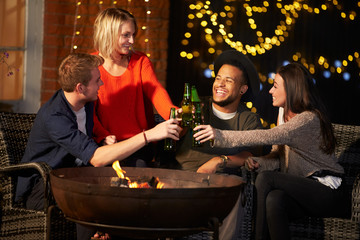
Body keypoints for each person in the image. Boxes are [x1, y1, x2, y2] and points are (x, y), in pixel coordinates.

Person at [15, 53, 181, 240]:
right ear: (80, 87)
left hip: (75, 174)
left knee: (129, 179)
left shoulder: (86, 103)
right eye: (97, 80)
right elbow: (97, 158)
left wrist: (102, 138)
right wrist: (149, 135)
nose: (102, 84)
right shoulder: (55, 116)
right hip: (43, 186)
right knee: (87, 195)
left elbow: (88, 140)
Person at [193, 62, 348, 240]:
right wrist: (260, 162)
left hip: (327, 192)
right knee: (275, 199)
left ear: (290, 90)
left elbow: (268, 136)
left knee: (267, 179)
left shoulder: (308, 119)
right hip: (301, 189)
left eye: (275, 86)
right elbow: (279, 157)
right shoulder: (283, 114)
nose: (270, 91)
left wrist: (219, 135)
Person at [92, 8, 177, 167]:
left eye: (133, 35)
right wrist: (102, 136)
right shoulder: (90, 66)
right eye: (126, 35)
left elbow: (156, 91)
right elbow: (88, 112)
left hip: (139, 145)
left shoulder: (141, 61)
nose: (131, 41)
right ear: (109, 34)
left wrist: (174, 112)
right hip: (104, 145)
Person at [176, 50, 264, 175]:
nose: (220, 84)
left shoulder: (248, 119)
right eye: (218, 78)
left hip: (220, 183)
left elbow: (250, 155)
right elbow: (176, 135)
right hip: (182, 177)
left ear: (242, 89)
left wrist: (218, 161)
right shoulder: (196, 105)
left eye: (228, 81)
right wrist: (183, 120)